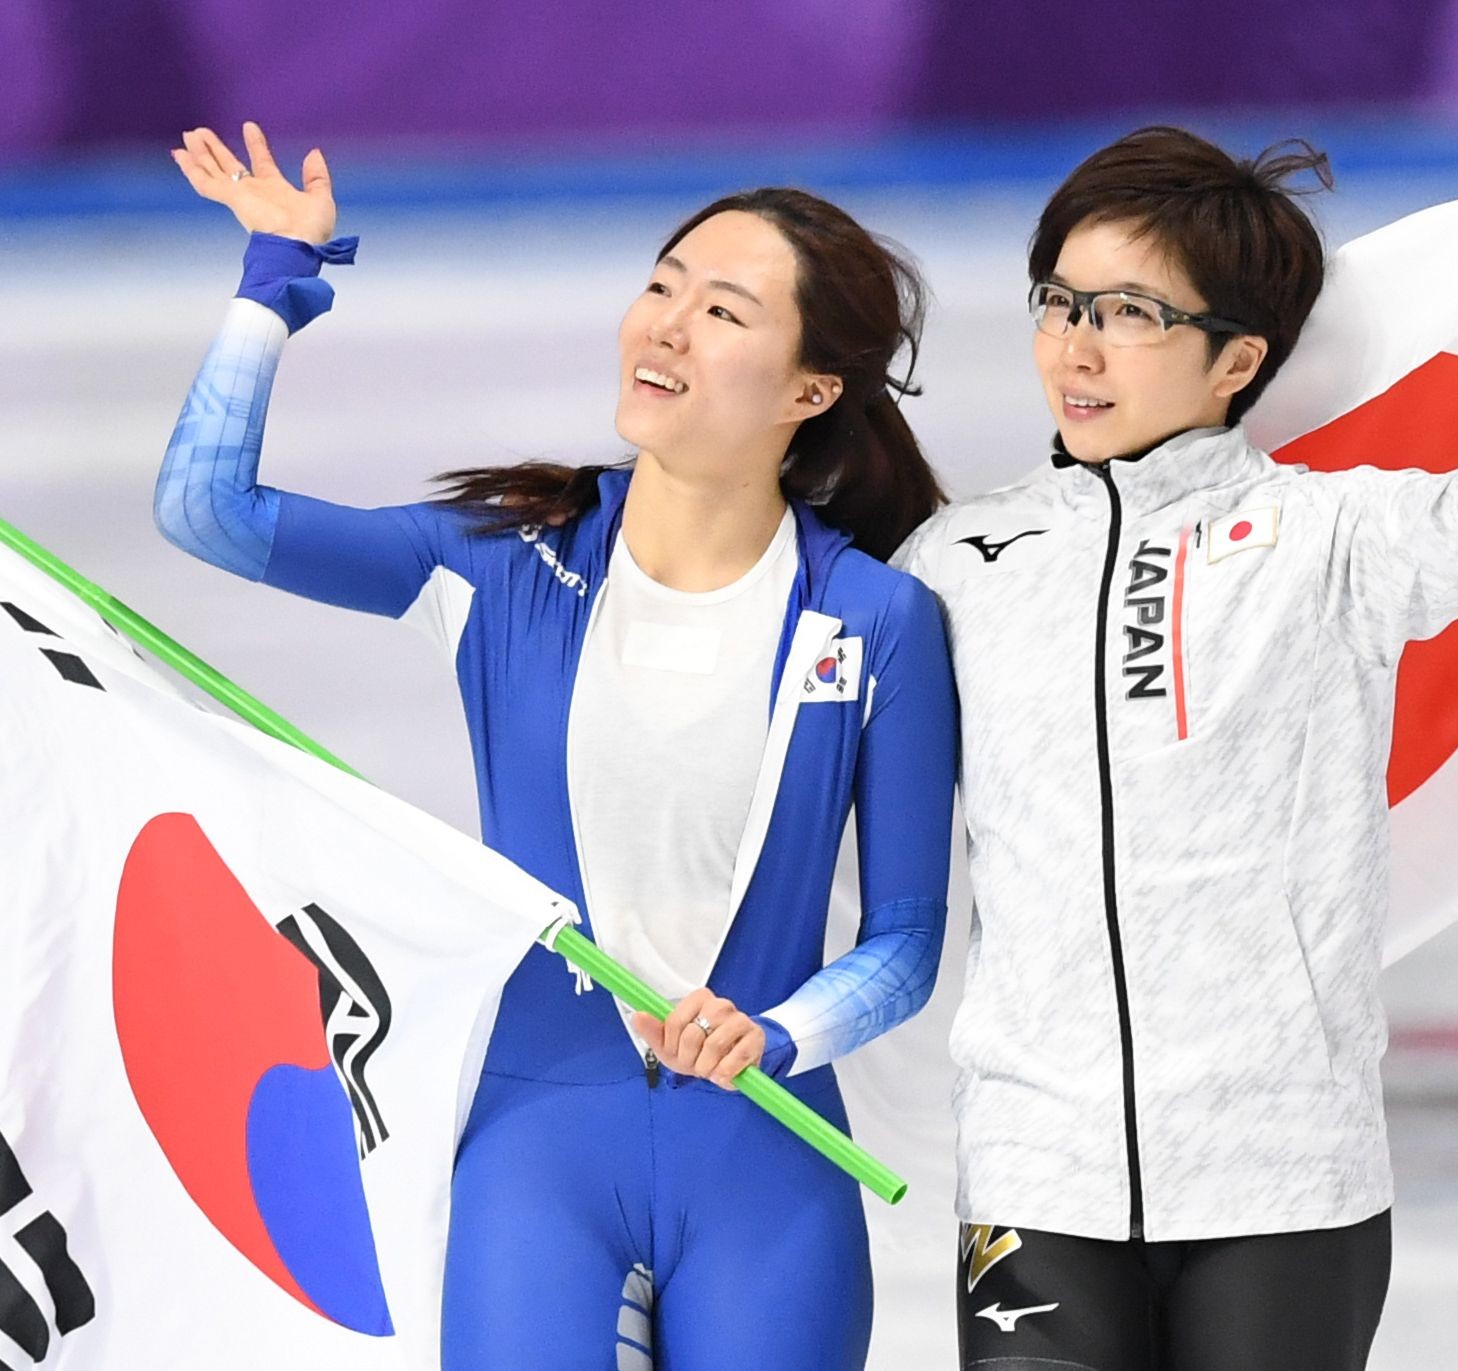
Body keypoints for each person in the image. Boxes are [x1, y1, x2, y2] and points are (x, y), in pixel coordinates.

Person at [893, 85, 1458, 1370]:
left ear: (1238, 361)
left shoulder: (1327, 540)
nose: (1077, 349)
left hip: (1281, 1173)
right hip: (1036, 1166)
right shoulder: (959, 561)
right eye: (1060, 300)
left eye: (1131, 315)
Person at [159, 122, 958, 1371]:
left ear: (810, 391)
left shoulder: (876, 621)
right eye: (660, 287)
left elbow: (905, 944)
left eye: (724, 311)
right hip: (536, 1156)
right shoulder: (501, 564)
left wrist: (781, 1034)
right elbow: (209, 511)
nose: (667, 325)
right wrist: (275, 282)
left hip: (764, 1162)